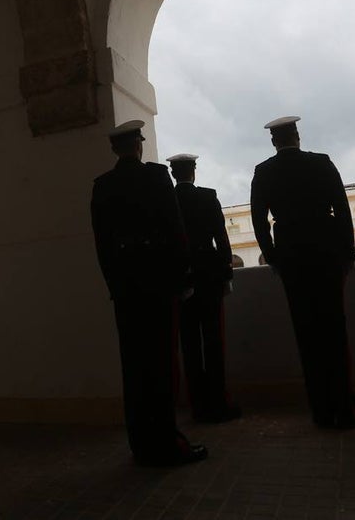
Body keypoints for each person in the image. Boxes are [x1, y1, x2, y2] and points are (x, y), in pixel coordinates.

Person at [91, 120, 207, 467]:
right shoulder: (157, 177)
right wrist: (183, 277)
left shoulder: (102, 186)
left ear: (114, 149)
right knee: (163, 363)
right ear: (139, 145)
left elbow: (102, 244)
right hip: (159, 283)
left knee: (134, 365)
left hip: (126, 288)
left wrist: (115, 286)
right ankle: (167, 443)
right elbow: (176, 229)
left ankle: (140, 443)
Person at [250, 116, 355, 429]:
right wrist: (347, 249)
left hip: (291, 257)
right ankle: (344, 407)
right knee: (334, 330)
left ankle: (320, 409)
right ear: (297, 135)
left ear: (274, 141)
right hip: (326, 251)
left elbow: (259, 221)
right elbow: (342, 208)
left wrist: (274, 257)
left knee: (306, 333)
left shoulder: (263, 172)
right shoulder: (321, 163)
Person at [166, 153, 240, 423]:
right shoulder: (208, 197)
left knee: (189, 345)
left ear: (173, 173)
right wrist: (226, 272)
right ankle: (218, 402)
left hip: (182, 278)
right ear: (193, 171)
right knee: (213, 342)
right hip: (209, 276)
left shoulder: (168, 201)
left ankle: (198, 405)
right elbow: (221, 237)